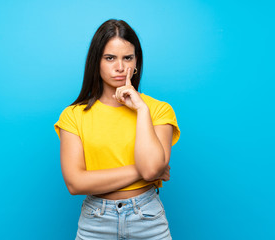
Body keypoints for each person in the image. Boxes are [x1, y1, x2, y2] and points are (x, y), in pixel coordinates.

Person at [54, 19, 180, 240]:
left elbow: (152, 170)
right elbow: (75, 183)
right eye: (110, 58)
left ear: (136, 62)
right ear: (97, 62)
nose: (120, 67)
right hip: (95, 220)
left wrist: (141, 109)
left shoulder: (158, 110)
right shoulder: (73, 115)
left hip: (147, 218)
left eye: (127, 58)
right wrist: (145, 171)